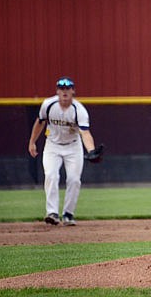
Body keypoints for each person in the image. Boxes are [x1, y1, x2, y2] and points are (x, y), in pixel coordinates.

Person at [28, 76, 98, 226]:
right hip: (52, 145)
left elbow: (85, 132)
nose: (64, 91)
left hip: (73, 146)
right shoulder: (48, 104)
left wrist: (91, 150)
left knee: (73, 179)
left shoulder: (79, 110)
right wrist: (32, 142)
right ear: (57, 91)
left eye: (67, 88)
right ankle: (52, 213)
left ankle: (68, 214)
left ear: (73, 91)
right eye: (61, 88)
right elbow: (40, 122)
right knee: (51, 176)